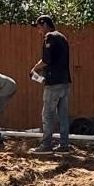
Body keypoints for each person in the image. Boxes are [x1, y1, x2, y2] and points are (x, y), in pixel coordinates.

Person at [31, 14, 71, 152]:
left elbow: (46, 60)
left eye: (39, 27)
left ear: (45, 25)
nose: (39, 31)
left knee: (47, 114)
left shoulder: (50, 37)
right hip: (65, 82)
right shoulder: (62, 37)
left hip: (53, 83)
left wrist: (34, 68)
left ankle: (46, 145)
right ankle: (64, 144)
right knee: (63, 115)